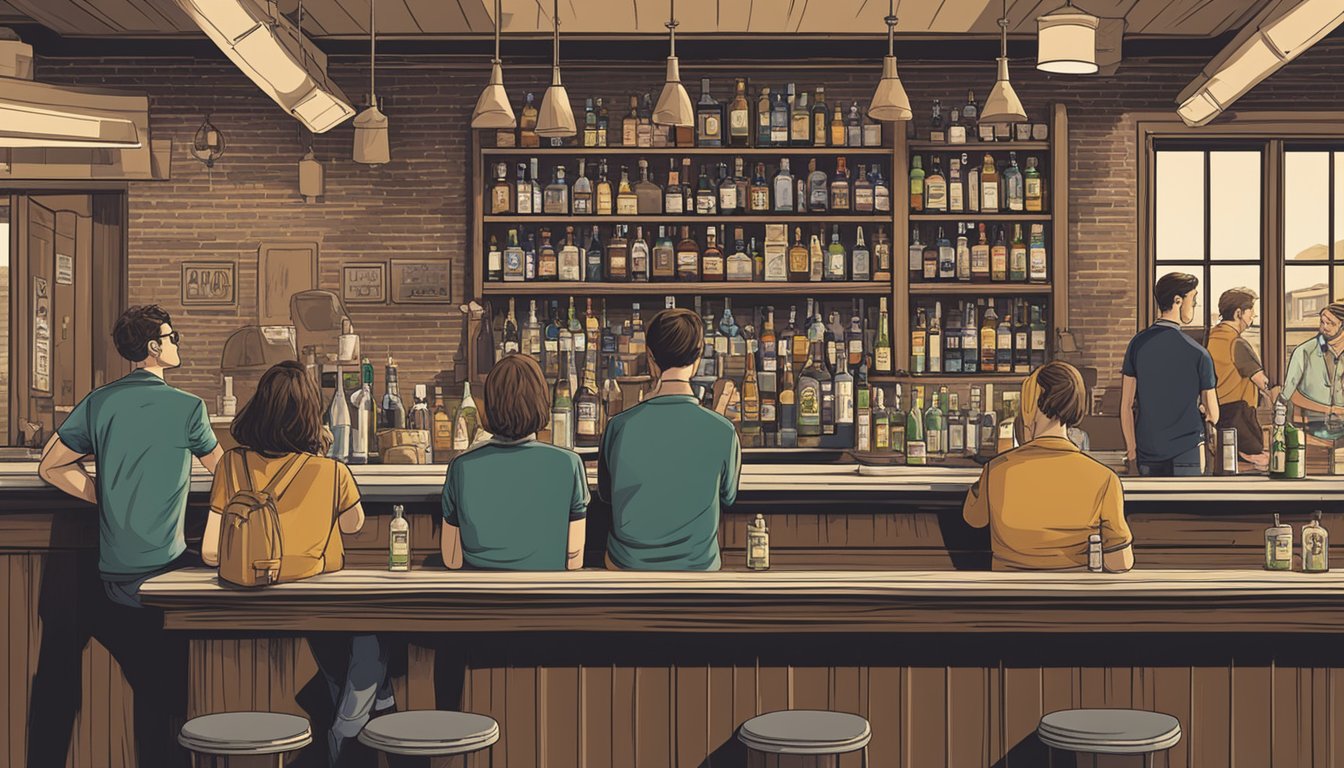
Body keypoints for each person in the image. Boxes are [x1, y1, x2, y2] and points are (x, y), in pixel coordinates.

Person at [32, 304, 224, 766]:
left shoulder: (100, 401)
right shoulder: (188, 408)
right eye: (172, 336)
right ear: (154, 348)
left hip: (111, 575)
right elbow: (226, 474)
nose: (179, 343)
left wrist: (107, 495)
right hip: (164, 576)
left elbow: (49, 465)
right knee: (168, 693)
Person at [202, 361, 393, 767]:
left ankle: (340, 728)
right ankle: (344, 735)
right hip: (319, 603)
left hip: (246, 603)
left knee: (357, 661)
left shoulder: (230, 464)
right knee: (371, 648)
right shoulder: (331, 471)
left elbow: (210, 552)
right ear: (312, 415)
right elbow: (354, 525)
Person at [598, 308, 741, 571]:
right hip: (699, 565)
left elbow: (607, 496)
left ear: (650, 357)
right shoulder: (723, 431)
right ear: (698, 358)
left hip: (626, 564)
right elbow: (728, 496)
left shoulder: (618, 426)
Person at [964, 362, 1133, 572]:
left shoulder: (996, 470)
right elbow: (1120, 563)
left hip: (1007, 597)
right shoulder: (1105, 479)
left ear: (1031, 405)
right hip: (1072, 597)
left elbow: (974, 519)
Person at [440, 353, 588, 570]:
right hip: (547, 597)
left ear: (489, 405)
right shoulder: (569, 463)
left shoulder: (461, 466)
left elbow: (452, 560)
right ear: (542, 402)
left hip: (479, 598)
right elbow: (574, 560)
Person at [1120, 272, 1219, 476]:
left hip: (1147, 450)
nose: (1195, 304)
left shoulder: (1138, 345)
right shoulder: (1198, 353)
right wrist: (1201, 408)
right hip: (1188, 450)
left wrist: (1132, 452)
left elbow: (1126, 405)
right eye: (1194, 298)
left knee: (1152, 506)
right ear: (1177, 300)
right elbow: (1213, 414)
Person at [1205, 288, 1279, 469]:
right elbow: (1262, 382)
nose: (1254, 315)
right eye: (1251, 311)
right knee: (1260, 462)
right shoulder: (1237, 343)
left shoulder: (1209, 338)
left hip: (1215, 415)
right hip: (1240, 417)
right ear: (1239, 313)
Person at [1281, 302, 1344, 441]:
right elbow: (1289, 393)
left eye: (1330, 323)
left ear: (1342, 325)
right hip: (1311, 426)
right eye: (1322, 322)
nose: (1324, 327)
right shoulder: (1304, 351)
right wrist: (1330, 410)